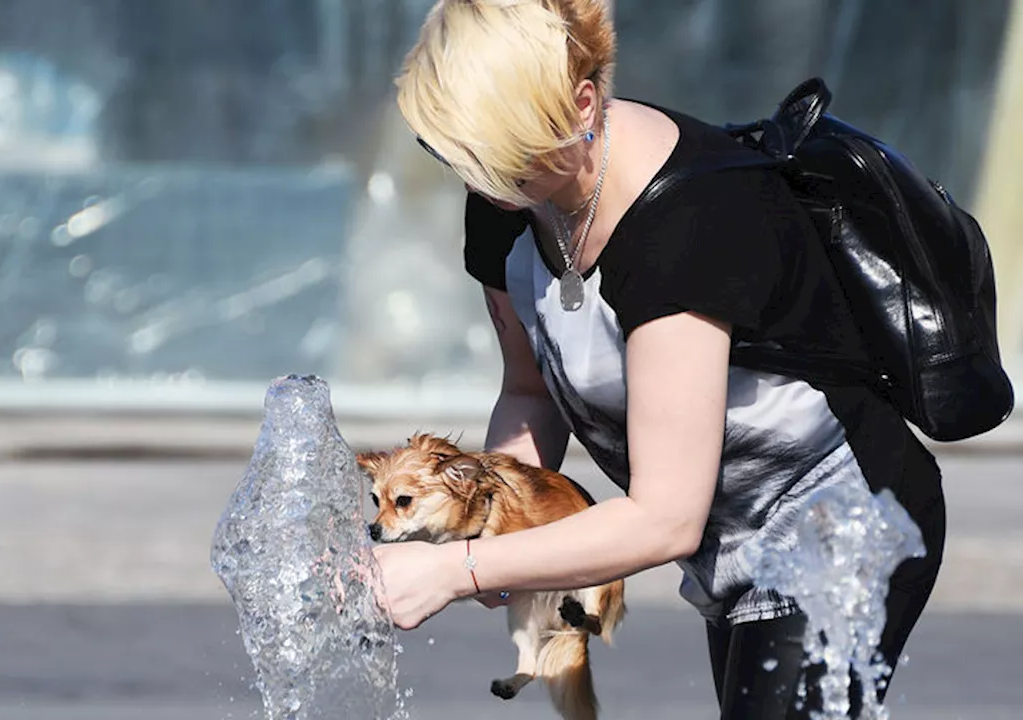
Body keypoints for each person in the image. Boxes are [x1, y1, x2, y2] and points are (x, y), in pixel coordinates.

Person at [369, 1, 946, 717]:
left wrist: (457, 570)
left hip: (837, 520)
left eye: (500, 157)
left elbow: (665, 516)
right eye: (452, 154)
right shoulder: (504, 192)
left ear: (583, 105)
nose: (479, 185)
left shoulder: (687, 222)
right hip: (726, 536)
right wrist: (486, 522)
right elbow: (528, 391)